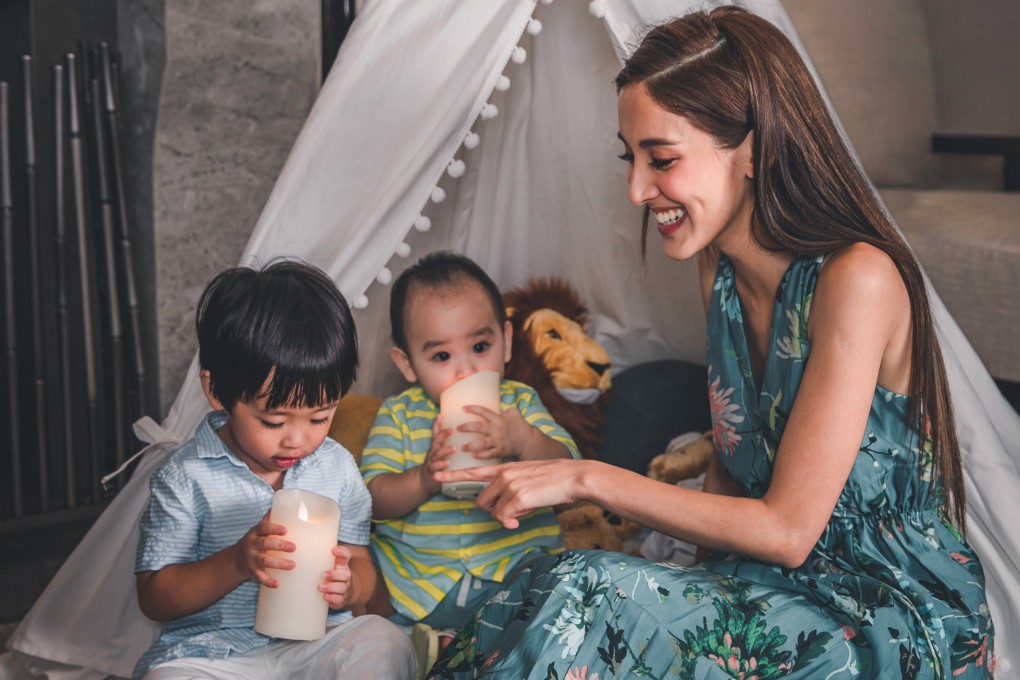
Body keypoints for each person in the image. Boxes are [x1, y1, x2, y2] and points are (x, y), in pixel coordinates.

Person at [430, 6, 995, 679]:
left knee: (586, 592)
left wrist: (584, 476)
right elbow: (732, 462)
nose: (638, 189)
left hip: (884, 617)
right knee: (541, 580)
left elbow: (787, 531)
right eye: (630, 157)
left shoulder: (859, 280)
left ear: (755, 148)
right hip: (769, 591)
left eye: (661, 159)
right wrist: (682, 604)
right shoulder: (719, 270)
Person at [132, 260, 415, 680]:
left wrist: (351, 586)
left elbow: (361, 565)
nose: (297, 440)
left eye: (320, 417)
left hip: (314, 646)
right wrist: (235, 563)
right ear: (216, 392)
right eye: (273, 421)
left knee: (384, 638)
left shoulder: (336, 468)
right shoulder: (186, 476)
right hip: (214, 656)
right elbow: (154, 597)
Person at [358, 250, 580, 673]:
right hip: (417, 582)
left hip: (511, 576)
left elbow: (569, 468)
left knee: (552, 596)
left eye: (480, 346)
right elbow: (373, 500)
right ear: (407, 363)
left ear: (507, 340)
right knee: (365, 598)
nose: (465, 371)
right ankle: (429, 646)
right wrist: (424, 478)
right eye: (441, 356)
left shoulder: (518, 403)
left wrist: (524, 439)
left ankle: (475, 649)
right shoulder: (400, 415)